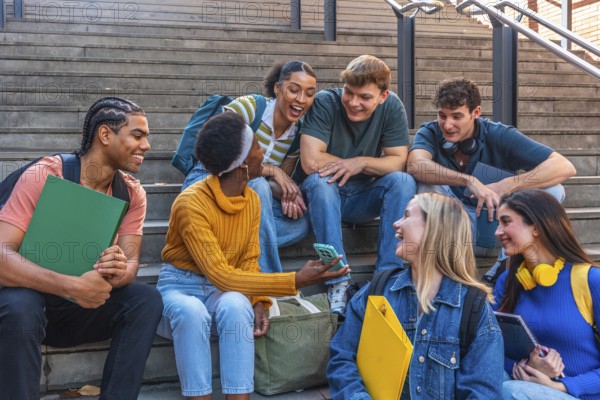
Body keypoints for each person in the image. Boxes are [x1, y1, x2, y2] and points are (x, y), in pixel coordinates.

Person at [156, 111, 349, 400]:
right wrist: (294, 279)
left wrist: (259, 301)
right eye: (257, 146)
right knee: (192, 312)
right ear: (242, 163)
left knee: (236, 306)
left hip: (224, 290)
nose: (263, 152)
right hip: (180, 286)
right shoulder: (190, 204)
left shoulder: (251, 200)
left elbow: (248, 259)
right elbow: (220, 273)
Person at [0, 97, 163, 400]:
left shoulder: (132, 192)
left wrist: (117, 271)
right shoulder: (46, 175)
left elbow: (131, 262)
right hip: (28, 307)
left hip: (79, 309)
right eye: (138, 136)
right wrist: (71, 286)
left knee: (146, 299)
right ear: (105, 135)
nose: (147, 146)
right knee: (20, 304)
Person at [328, 192, 504, 399]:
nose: (396, 224)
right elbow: (342, 358)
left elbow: (482, 393)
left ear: (435, 227)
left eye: (406, 215)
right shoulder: (377, 290)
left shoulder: (474, 310)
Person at [408, 77, 576, 264]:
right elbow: (416, 164)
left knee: (553, 190)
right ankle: (441, 268)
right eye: (442, 116)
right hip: (452, 233)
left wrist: (507, 185)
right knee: (425, 183)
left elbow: (564, 166)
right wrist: (468, 181)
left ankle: (501, 270)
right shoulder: (430, 132)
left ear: (476, 112)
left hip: (499, 231)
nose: (447, 125)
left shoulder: (499, 133)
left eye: (456, 116)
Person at [299, 54, 417, 315]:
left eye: (364, 97)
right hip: (325, 195)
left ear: (383, 96)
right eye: (349, 93)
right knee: (320, 182)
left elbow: (398, 161)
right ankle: (337, 280)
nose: (354, 103)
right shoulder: (325, 103)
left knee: (403, 181)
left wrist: (361, 163)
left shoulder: (392, 107)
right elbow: (310, 161)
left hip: (364, 195)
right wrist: (355, 163)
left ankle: (388, 278)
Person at [182, 60, 317, 273]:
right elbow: (217, 155)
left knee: (302, 224)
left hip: (247, 198)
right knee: (258, 184)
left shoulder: (298, 133)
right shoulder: (250, 107)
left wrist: (287, 195)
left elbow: (276, 185)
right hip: (208, 177)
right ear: (278, 88)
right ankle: (269, 280)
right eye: (294, 90)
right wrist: (272, 170)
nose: (301, 100)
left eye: (309, 93)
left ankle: (231, 244)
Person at [493, 189, 600, 400]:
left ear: (536, 227)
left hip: (577, 394)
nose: (497, 231)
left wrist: (561, 386)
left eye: (506, 222)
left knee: (510, 390)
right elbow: (487, 347)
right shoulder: (508, 281)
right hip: (527, 388)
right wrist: (526, 366)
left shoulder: (590, 280)